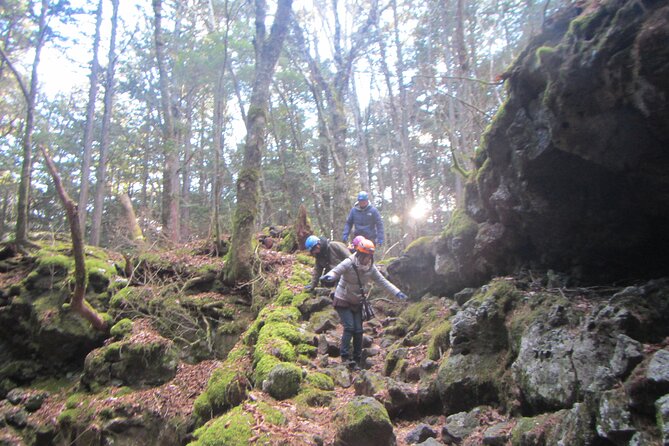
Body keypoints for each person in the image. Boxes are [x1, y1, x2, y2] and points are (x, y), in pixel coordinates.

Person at [320, 238, 407, 369]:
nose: (367, 259)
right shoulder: (349, 262)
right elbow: (337, 270)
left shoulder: (371, 268)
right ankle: (344, 357)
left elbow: (382, 281)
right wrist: (330, 276)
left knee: (359, 330)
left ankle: (357, 359)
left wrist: (397, 292)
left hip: (357, 301)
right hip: (343, 298)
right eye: (365, 256)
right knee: (349, 327)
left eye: (369, 256)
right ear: (360, 254)